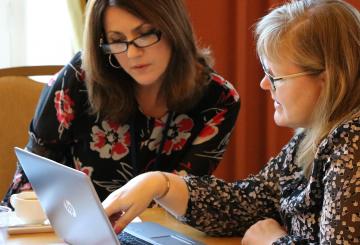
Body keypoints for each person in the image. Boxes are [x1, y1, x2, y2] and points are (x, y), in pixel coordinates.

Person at [102, 0, 360, 244]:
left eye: (275, 76)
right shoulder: (312, 136)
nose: (264, 84)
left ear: (328, 80)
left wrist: (272, 241)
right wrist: (159, 183)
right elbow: (246, 204)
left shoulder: (352, 144)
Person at [2, 0, 240, 205]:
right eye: (117, 40)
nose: (133, 53)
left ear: (173, 28)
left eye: (145, 34)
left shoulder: (218, 100)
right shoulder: (78, 79)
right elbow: (29, 181)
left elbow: (189, 199)